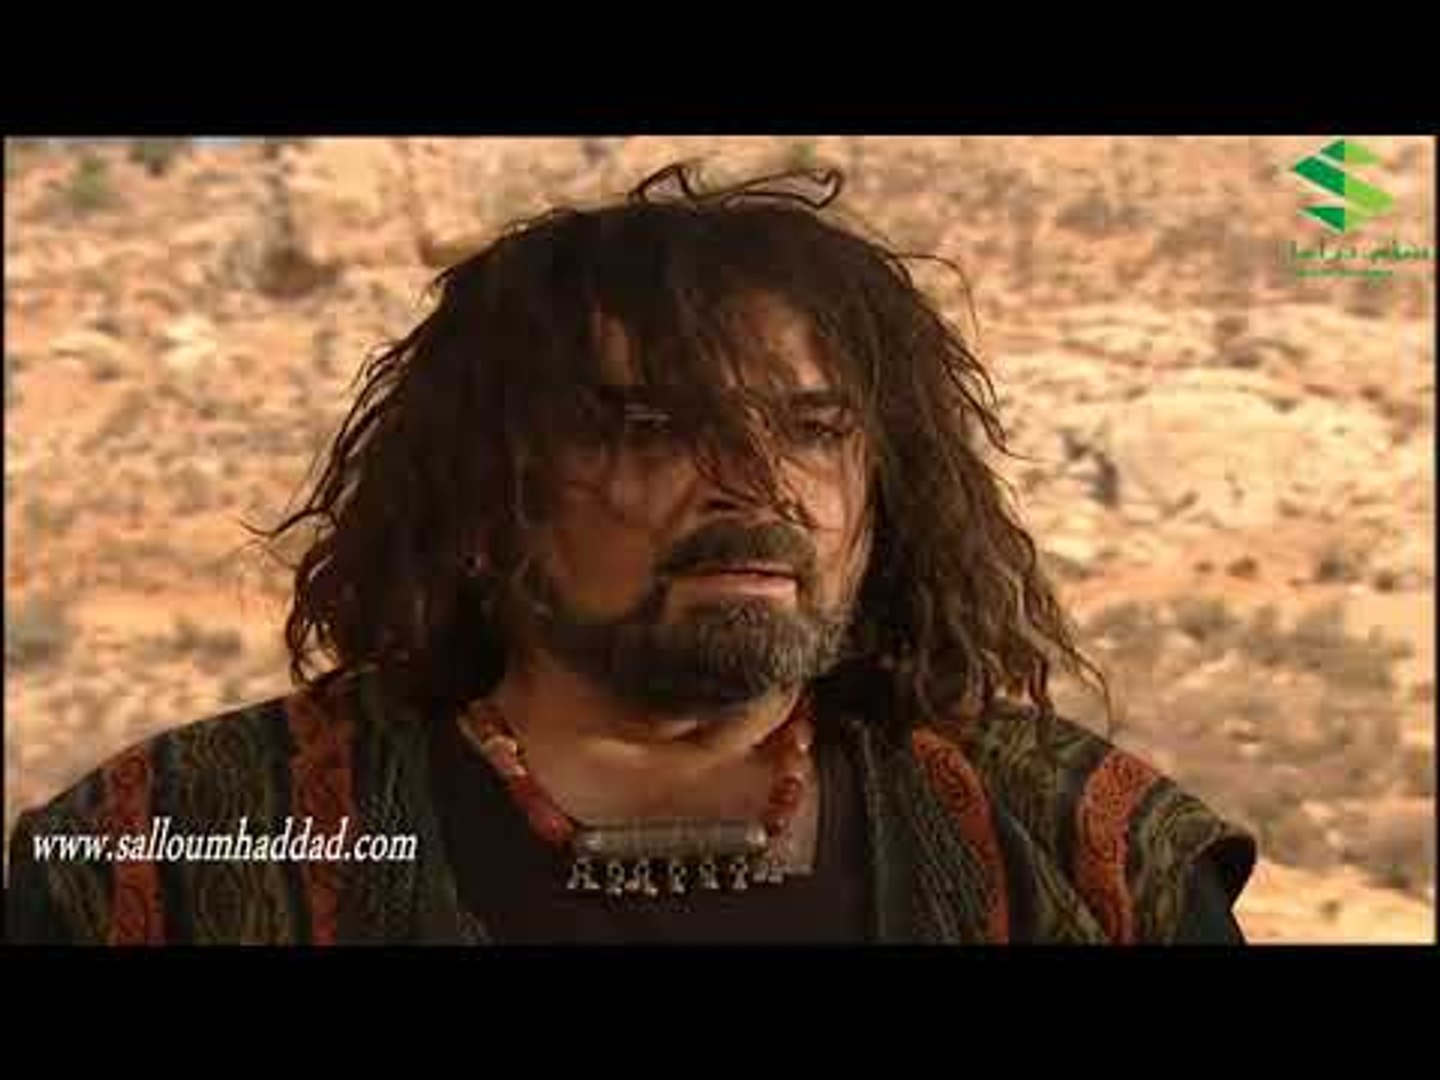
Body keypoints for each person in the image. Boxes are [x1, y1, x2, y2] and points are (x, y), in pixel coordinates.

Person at [6, 161, 1255, 945]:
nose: (757, 486)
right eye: (652, 429)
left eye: (814, 429)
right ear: (488, 492)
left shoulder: (1077, 842)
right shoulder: (181, 840)